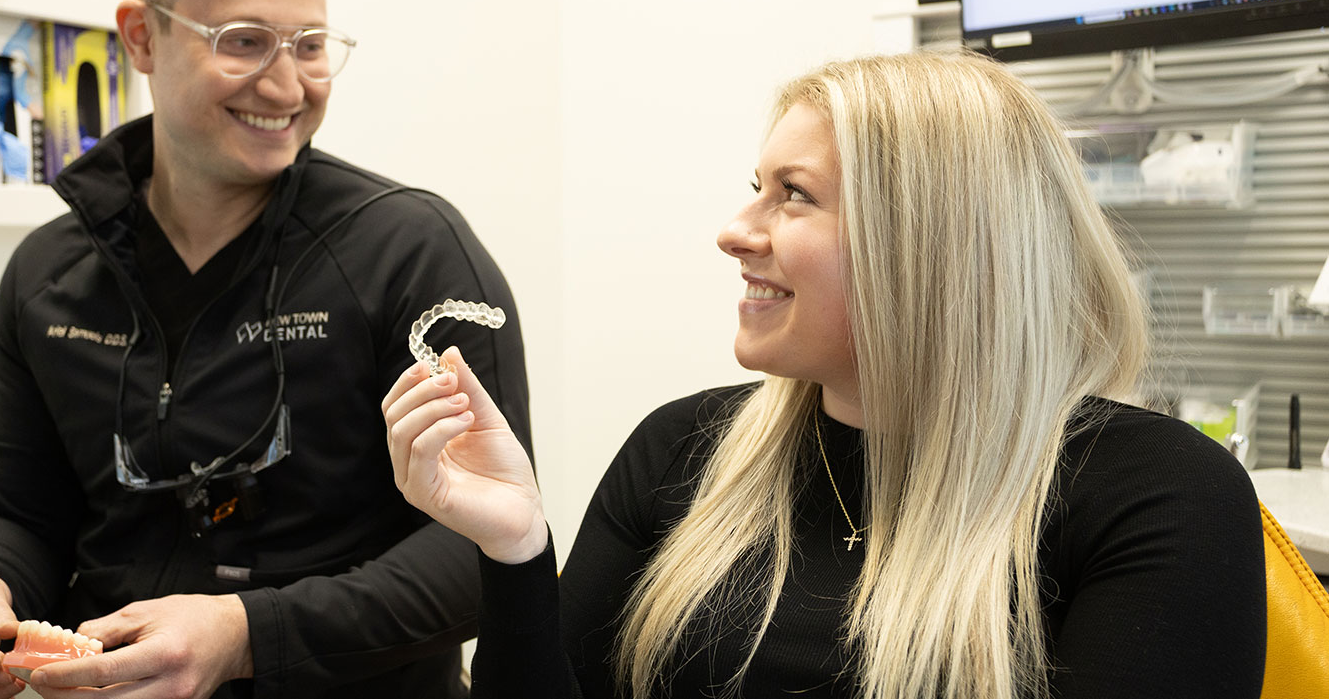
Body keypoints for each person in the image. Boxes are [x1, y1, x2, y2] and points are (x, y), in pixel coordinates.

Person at [384, 51, 1267, 699]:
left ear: (929, 241)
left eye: (792, 194)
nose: (736, 229)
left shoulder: (1158, 493)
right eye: (755, 186)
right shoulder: (682, 449)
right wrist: (513, 546)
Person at [0, 0, 530, 699]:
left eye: (312, 45)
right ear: (142, 37)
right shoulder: (48, 275)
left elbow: (488, 544)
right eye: (245, 42)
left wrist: (249, 634)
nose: (288, 85)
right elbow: (20, 508)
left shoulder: (411, 252)